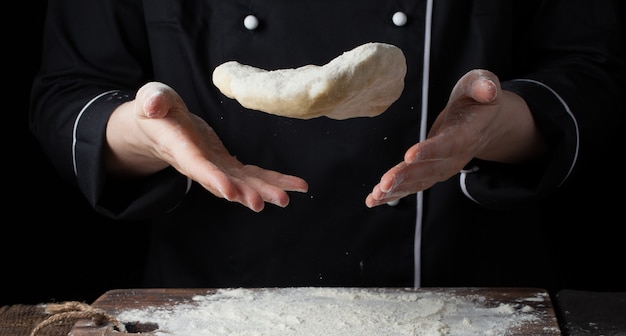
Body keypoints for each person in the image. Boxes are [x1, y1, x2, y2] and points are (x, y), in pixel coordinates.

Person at [29, 0, 626, 293]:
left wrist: (496, 124)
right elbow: (69, 90)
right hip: (212, 303)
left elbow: (589, 70)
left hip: (463, 287)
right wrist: (147, 130)